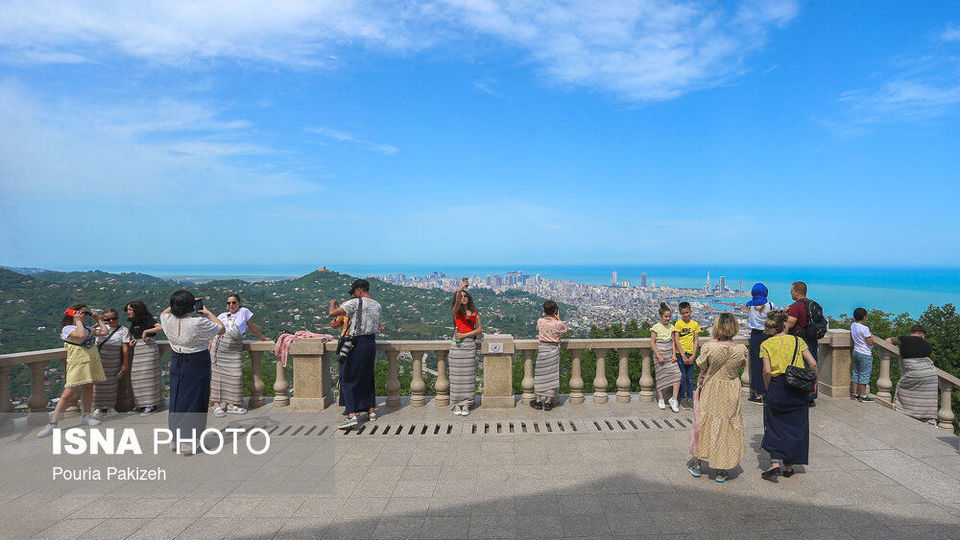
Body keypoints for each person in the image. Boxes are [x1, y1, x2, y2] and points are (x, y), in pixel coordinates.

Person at [161, 290, 224, 455]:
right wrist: (208, 312)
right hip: (196, 362)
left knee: (176, 400)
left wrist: (176, 304)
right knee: (195, 400)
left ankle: (175, 440)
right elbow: (221, 329)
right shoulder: (198, 323)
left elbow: (164, 312)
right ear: (190, 306)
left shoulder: (167, 320)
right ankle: (188, 444)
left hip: (177, 361)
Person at [688, 313, 747, 483]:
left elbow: (701, 364)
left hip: (712, 387)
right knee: (727, 425)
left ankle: (698, 465)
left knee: (705, 424)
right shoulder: (741, 349)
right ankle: (721, 470)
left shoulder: (709, 347)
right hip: (731, 388)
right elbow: (741, 365)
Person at [760, 310, 819, 480]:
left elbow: (766, 371)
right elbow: (813, 364)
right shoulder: (797, 341)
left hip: (777, 386)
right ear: (785, 324)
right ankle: (788, 465)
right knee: (796, 426)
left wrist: (768, 388)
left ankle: (775, 462)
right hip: (798, 387)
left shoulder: (766, 344)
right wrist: (813, 383)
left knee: (774, 424)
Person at [37, 305, 109, 437]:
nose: (85, 315)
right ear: (74, 314)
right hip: (77, 362)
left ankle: (86, 415)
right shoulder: (68, 329)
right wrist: (78, 320)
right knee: (68, 393)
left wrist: (98, 320)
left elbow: (105, 332)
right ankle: (53, 423)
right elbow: (81, 335)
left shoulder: (86, 327)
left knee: (88, 387)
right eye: (83, 313)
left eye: (86, 313)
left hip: (90, 361)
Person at [329, 279, 382, 429]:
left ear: (358, 290)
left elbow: (332, 313)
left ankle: (352, 414)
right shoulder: (377, 305)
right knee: (367, 376)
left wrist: (333, 303)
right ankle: (370, 409)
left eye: (353, 292)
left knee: (348, 377)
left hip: (356, 342)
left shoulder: (355, 302)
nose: (353, 295)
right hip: (370, 342)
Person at [210, 293, 270, 418]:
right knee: (218, 377)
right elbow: (214, 331)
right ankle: (217, 405)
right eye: (229, 303)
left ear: (239, 303)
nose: (231, 305)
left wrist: (264, 338)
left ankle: (232, 405)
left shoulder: (245, 312)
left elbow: (252, 327)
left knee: (235, 375)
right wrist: (210, 345)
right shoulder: (221, 316)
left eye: (234, 302)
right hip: (219, 347)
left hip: (234, 347)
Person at [887, 325, 938, 423]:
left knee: (903, 390)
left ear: (911, 332)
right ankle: (931, 419)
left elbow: (888, 341)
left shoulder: (903, 339)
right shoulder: (927, 345)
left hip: (915, 371)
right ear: (922, 335)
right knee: (928, 396)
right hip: (931, 373)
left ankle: (906, 412)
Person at [448, 279, 483, 416]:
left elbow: (479, 329)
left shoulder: (475, 313)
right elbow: (456, 304)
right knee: (456, 377)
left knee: (468, 377)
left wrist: (465, 335)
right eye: (461, 296)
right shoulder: (456, 312)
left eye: (465, 296)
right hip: (457, 348)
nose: (463, 298)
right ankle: (456, 404)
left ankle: (467, 403)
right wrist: (459, 289)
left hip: (468, 345)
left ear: (469, 298)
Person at [91, 308, 132, 418]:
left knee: (112, 384)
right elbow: (88, 331)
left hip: (114, 359)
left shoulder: (123, 330)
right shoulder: (101, 328)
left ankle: (110, 407)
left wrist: (125, 363)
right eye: (108, 319)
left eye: (114, 318)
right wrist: (99, 321)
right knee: (98, 384)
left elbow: (125, 348)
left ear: (118, 318)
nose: (111, 321)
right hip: (100, 358)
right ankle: (98, 408)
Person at [125, 301, 164, 416]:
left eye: (130, 309)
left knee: (148, 377)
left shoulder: (147, 318)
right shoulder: (134, 321)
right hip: (138, 350)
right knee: (136, 378)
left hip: (148, 349)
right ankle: (139, 404)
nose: (128, 312)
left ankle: (151, 405)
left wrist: (147, 331)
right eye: (127, 309)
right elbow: (134, 335)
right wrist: (132, 341)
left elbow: (160, 327)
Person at [785, 281, 820, 406]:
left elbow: (791, 323)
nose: (790, 292)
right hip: (812, 340)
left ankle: (801, 395)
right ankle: (812, 395)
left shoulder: (796, 306)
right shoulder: (813, 304)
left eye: (792, 290)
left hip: (799, 341)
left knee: (800, 367)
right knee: (812, 366)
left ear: (797, 292)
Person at [531, 300, 566, 411]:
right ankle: (548, 402)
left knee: (540, 375)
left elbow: (537, 329)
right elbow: (565, 330)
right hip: (553, 350)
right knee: (552, 376)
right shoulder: (557, 323)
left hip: (542, 349)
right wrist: (558, 318)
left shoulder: (540, 321)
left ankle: (538, 401)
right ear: (555, 310)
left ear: (544, 310)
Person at [746, 284, 776, 405]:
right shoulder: (770, 305)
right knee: (770, 363)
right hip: (768, 335)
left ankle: (759, 394)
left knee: (757, 365)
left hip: (756, 336)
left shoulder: (750, 306)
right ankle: (769, 391)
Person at [651, 302, 681, 412]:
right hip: (659, 355)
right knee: (660, 376)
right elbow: (653, 343)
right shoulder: (656, 327)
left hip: (670, 355)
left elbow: (673, 342)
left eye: (669, 316)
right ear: (661, 316)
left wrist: (674, 355)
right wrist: (658, 356)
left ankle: (673, 399)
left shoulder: (672, 327)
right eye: (666, 316)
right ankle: (661, 399)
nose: (668, 318)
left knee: (677, 374)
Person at [673, 301, 701, 408]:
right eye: (683, 313)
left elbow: (696, 340)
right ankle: (682, 398)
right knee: (682, 377)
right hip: (681, 354)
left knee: (690, 378)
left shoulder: (695, 324)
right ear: (680, 313)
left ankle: (690, 398)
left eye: (687, 312)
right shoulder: (678, 324)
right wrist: (683, 355)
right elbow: (676, 340)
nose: (685, 315)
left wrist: (694, 354)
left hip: (691, 353)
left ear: (690, 311)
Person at [850, 308, 875, 403]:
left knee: (856, 373)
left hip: (856, 351)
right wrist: (872, 338)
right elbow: (870, 343)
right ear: (864, 317)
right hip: (865, 353)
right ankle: (863, 396)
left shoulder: (853, 325)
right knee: (864, 374)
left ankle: (855, 394)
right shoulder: (865, 328)